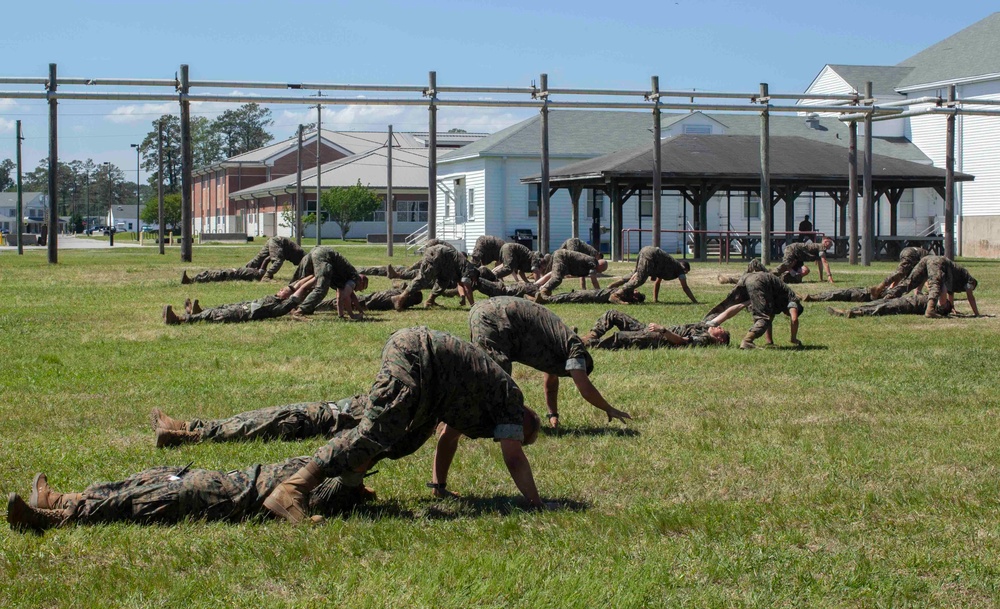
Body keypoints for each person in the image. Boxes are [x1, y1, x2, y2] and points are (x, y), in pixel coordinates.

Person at [262, 327, 549, 523]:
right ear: (524, 420)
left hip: (428, 381)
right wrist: (536, 503)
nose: (511, 439)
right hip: (417, 355)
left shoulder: (484, 404)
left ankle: (349, 485)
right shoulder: (510, 399)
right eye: (521, 436)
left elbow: (448, 437)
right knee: (378, 429)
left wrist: (439, 486)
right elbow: (513, 457)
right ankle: (294, 488)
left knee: (406, 440)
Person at [7, 457, 381, 533]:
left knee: (146, 499)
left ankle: (55, 517)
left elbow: (350, 478)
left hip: (230, 496)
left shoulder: (332, 490)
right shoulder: (328, 469)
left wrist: (355, 480)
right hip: (223, 479)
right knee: (146, 480)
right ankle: (60, 499)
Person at [469, 296, 630, 428]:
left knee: (493, 379)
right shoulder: (574, 349)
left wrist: (553, 415)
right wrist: (609, 408)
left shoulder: (558, 349)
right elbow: (584, 387)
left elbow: (551, 383)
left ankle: (479, 420)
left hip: (490, 310)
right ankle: (460, 423)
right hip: (493, 316)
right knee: (494, 379)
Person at [150, 397, 365, 447]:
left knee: (252, 425)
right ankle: (185, 426)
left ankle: (185, 436)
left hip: (320, 420)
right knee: (250, 417)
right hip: (320, 410)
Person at [704, 271, 803, 349]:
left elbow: (770, 314)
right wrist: (793, 339)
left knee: (728, 305)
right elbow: (794, 319)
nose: (786, 314)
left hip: (747, 277)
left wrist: (769, 342)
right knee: (763, 317)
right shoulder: (792, 299)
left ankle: (705, 325)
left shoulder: (778, 299)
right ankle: (747, 341)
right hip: (759, 281)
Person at [163, 275, 317, 325]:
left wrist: (319, 278)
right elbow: (296, 285)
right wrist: (312, 274)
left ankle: (178, 319)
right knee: (218, 308)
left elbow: (300, 291)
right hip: (241, 306)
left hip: (242, 314)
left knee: (215, 315)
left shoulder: (280, 307)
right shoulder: (278, 298)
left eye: (284, 291)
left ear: (288, 297)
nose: (281, 289)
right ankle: (197, 312)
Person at [580, 310, 730, 350]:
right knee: (612, 315)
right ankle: (590, 336)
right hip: (650, 329)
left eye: (721, 329)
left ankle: (583, 344)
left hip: (657, 337)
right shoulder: (705, 327)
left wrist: (662, 330)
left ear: (720, 340)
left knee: (620, 337)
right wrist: (743, 303)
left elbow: (681, 342)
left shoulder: (704, 340)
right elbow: (726, 313)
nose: (719, 326)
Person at [391, 244, 478, 311]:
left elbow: (460, 283)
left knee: (444, 281)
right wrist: (473, 305)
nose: (472, 282)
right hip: (436, 255)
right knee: (423, 278)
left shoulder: (466, 269)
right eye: (473, 280)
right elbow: (467, 287)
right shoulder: (469, 269)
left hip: (443, 263)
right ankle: (400, 298)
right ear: (474, 276)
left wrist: (462, 297)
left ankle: (430, 301)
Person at [887, 255, 979, 318]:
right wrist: (977, 314)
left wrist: (952, 308)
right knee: (936, 285)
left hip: (927, 259)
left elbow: (950, 292)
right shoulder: (969, 280)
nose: (970, 290)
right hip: (939, 262)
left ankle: (887, 296)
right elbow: (970, 297)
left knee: (909, 282)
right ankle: (930, 310)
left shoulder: (956, 280)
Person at [291, 246, 367, 319]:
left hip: (316, 252)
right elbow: (345, 297)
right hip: (324, 256)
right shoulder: (354, 278)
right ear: (361, 282)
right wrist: (352, 315)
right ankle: (299, 312)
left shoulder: (344, 279)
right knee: (321, 289)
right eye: (363, 288)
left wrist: (344, 315)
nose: (359, 291)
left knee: (301, 282)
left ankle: (287, 304)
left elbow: (344, 297)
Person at [606, 246, 697, 304]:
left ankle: (611, 286)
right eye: (686, 272)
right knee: (640, 279)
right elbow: (685, 287)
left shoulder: (670, 266)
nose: (684, 275)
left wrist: (655, 299)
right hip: (652, 255)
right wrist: (695, 302)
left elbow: (657, 283)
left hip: (646, 250)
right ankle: (616, 295)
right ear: (684, 269)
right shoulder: (679, 270)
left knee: (636, 273)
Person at [534, 250, 609, 302]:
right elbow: (594, 281)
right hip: (563, 257)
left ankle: (535, 285)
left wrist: (583, 289)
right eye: (601, 270)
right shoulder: (593, 263)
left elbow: (582, 277)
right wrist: (600, 294)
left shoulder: (588, 265)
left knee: (553, 273)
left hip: (565, 260)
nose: (600, 272)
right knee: (557, 279)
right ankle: (541, 292)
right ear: (600, 265)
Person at [826, 292, 954, 318]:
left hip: (907, 305)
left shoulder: (937, 306)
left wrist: (950, 308)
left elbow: (943, 292)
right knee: (876, 303)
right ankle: (849, 310)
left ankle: (857, 313)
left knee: (882, 308)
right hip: (904, 299)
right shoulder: (934, 299)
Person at [533, 287, 644, 305]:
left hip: (590, 296)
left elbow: (612, 298)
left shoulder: (625, 295)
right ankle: (541, 299)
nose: (635, 290)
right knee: (567, 295)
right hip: (591, 293)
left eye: (636, 293)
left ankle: (544, 300)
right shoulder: (624, 291)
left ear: (635, 298)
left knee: (567, 297)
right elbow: (613, 296)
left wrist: (624, 303)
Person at [803, 284, 885, 302]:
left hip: (862, 295)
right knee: (835, 293)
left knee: (835, 295)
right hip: (862, 291)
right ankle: (813, 296)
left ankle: (814, 298)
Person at [181, 267, 265, 284]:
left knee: (210, 275)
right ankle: (191, 279)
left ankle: (190, 280)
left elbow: (265, 261)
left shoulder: (254, 274)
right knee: (208, 273)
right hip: (230, 272)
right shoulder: (253, 272)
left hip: (228, 274)